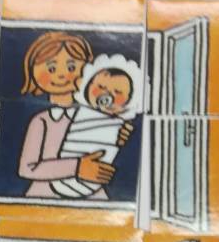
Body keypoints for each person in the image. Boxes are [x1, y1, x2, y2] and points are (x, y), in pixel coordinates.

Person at [16, 32, 132, 201]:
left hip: (91, 196)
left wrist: (115, 136)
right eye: (51, 68)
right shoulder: (42, 120)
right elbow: (27, 168)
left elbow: (103, 153)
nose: (61, 75)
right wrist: (77, 167)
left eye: (71, 68)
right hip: (45, 196)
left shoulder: (99, 116)